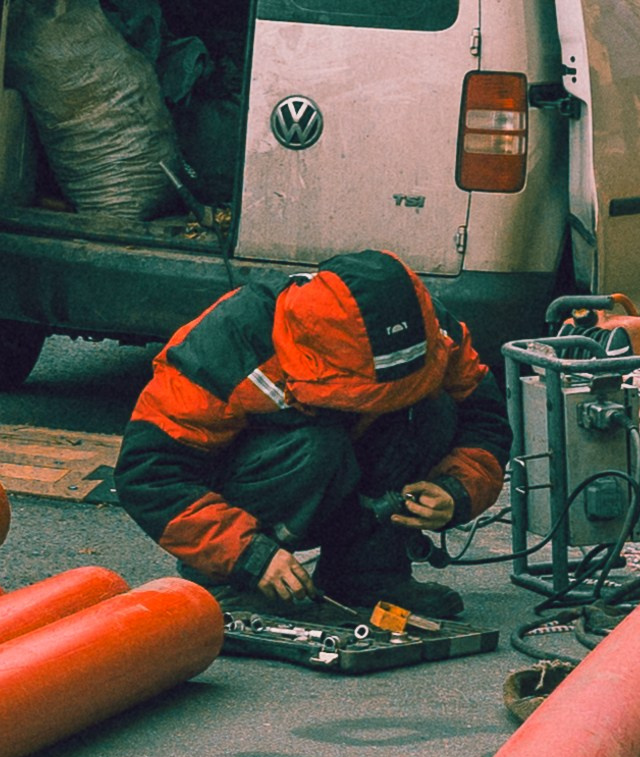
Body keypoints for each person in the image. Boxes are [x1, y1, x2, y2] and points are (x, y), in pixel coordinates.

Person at [115, 249, 510, 620]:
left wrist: (456, 491)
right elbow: (149, 475)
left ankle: (366, 576)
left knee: (434, 410)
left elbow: (485, 418)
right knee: (315, 446)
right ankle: (231, 583)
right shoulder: (228, 342)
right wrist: (249, 555)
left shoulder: (429, 330)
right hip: (252, 502)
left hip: (339, 484)